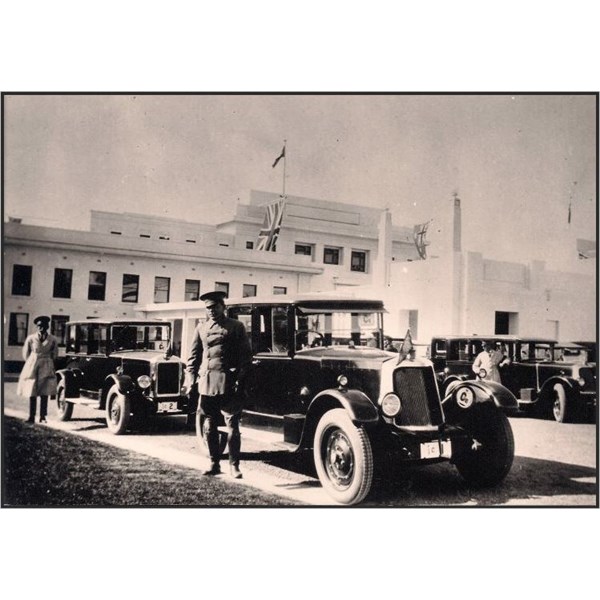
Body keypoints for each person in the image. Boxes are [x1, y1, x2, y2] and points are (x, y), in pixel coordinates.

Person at [182, 291, 252, 479]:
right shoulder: (201, 328)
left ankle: (234, 466)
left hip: (229, 382)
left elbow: (246, 357)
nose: (211, 311)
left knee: (232, 426)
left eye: (215, 307)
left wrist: (239, 379)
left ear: (223, 307)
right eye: (208, 308)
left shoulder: (236, 327)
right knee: (209, 426)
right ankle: (214, 463)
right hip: (207, 383)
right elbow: (193, 358)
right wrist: (190, 380)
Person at [17, 315, 58, 423]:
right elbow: (25, 353)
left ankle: (43, 416)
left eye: (44, 326)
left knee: (44, 392)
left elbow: (55, 354)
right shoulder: (31, 338)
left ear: (48, 326)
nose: (42, 328)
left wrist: (48, 361)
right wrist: (31, 361)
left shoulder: (52, 339)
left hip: (46, 364)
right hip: (33, 364)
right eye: (39, 326)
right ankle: (31, 416)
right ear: (37, 327)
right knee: (32, 390)